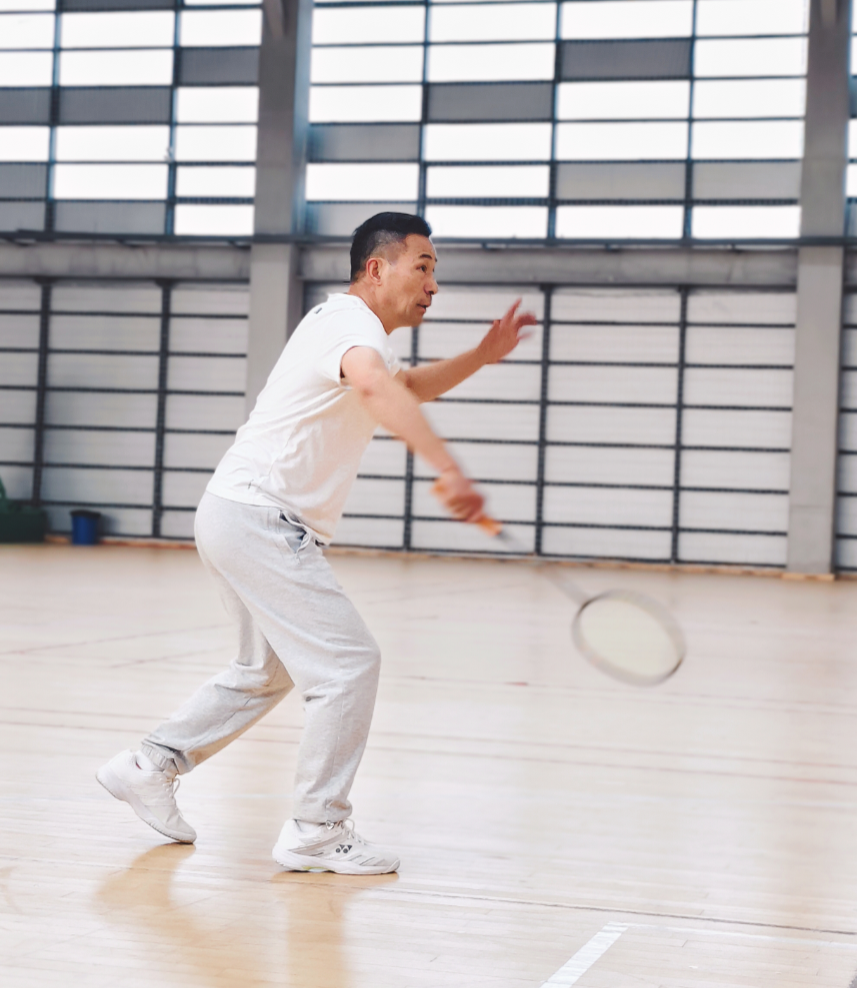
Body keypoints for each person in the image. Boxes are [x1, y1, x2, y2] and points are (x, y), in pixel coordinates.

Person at [97, 211, 536, 875]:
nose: (433, 285)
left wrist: (480, 355)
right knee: (348, 664)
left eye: (435, 272)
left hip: (233, 511)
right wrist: (448, 468)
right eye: (423, 267)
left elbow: (403, 386)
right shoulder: (348, 324)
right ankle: (317, 827)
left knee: (264, 670)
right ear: (376, 269)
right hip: (260, 518)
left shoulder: (353, 333)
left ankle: (148, 765)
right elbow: (377, 386)